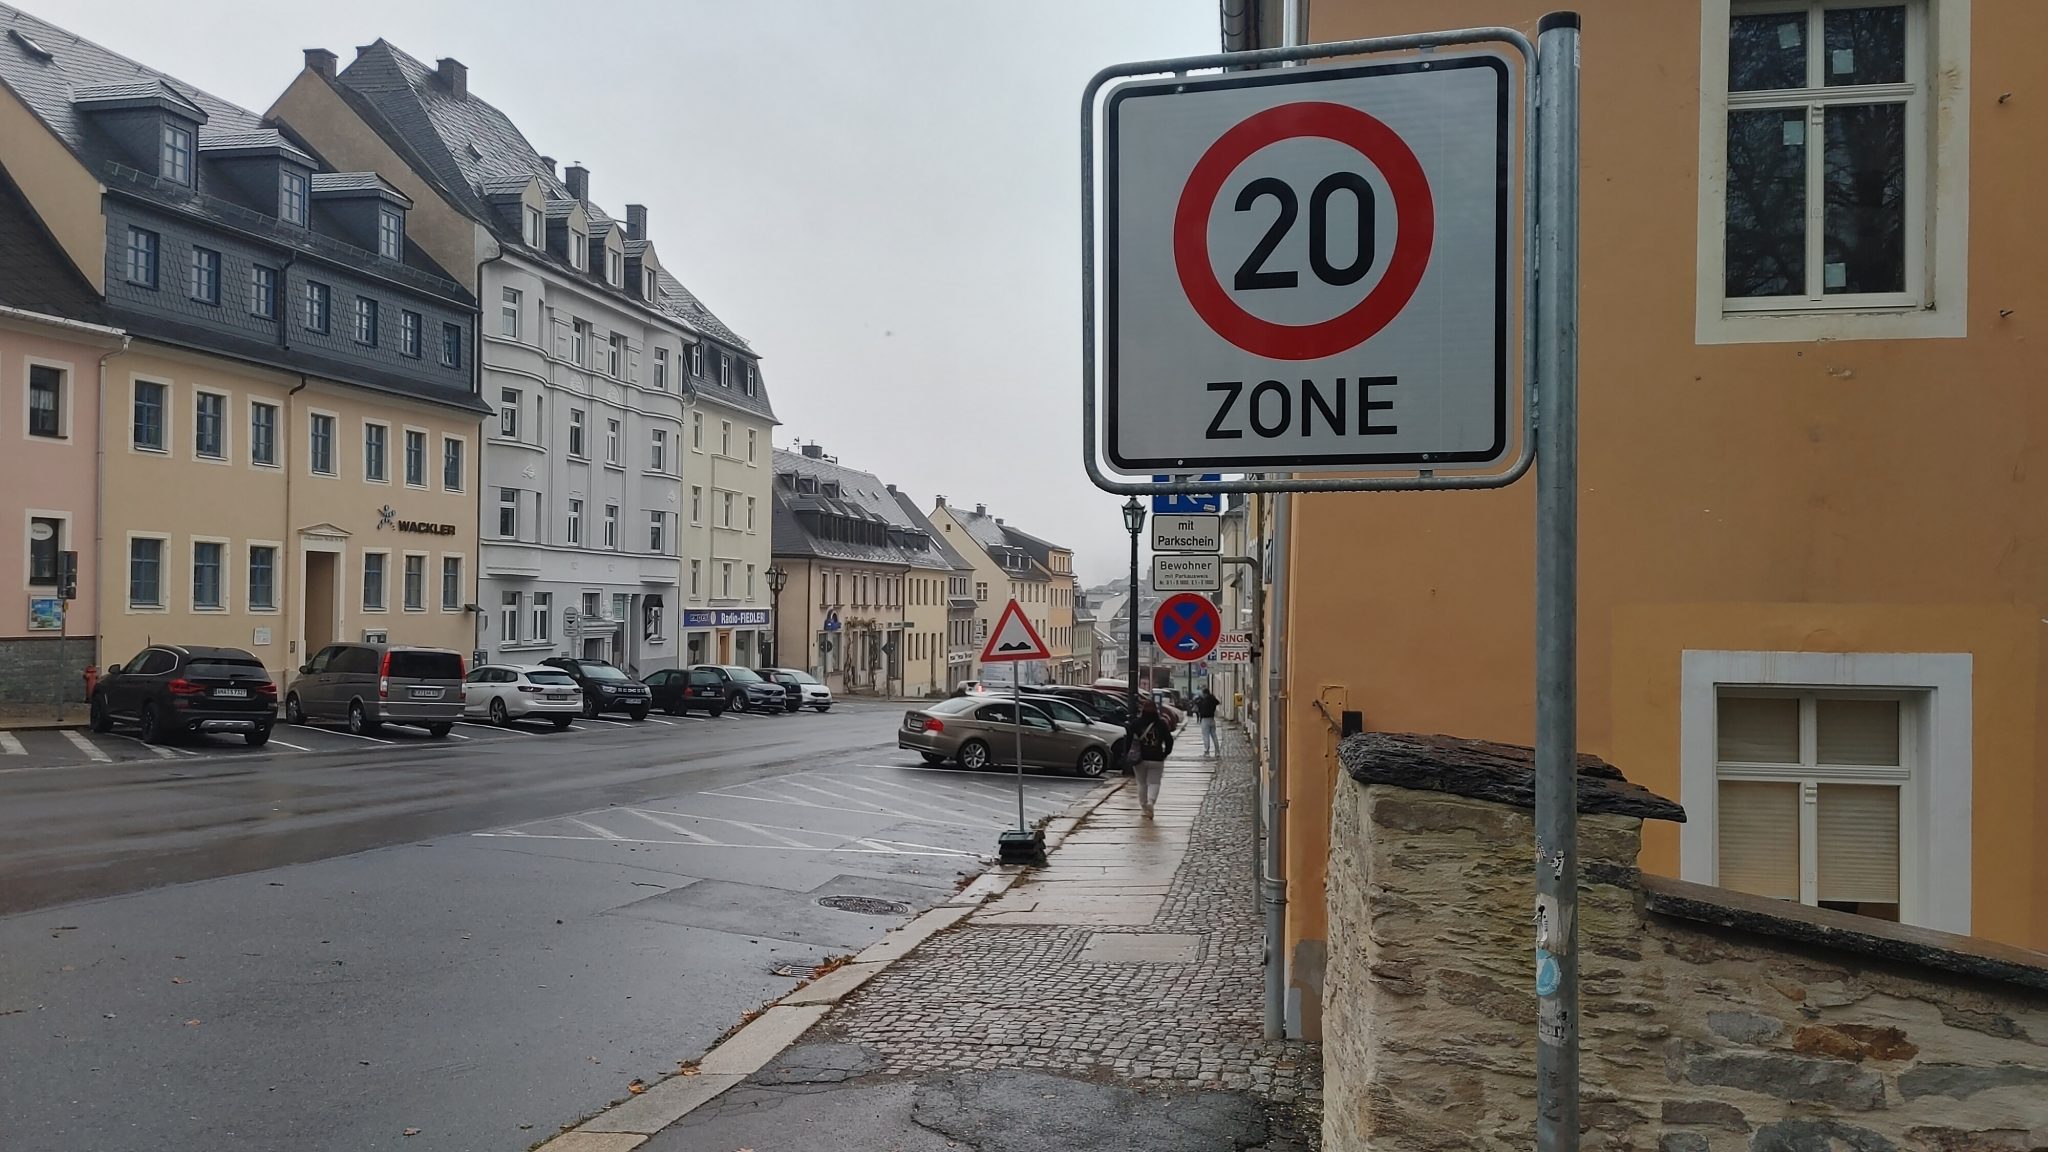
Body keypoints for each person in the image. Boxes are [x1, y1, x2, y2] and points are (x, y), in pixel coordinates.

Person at [1128, 698, 1175, 818]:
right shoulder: (1161, 723)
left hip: (1140, 758)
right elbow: (1169, 740)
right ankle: (1151, 802)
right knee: (1155, 782)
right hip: (1157, 757)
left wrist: (1128, 754)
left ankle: (1144, 807)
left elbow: (1128, 740)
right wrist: (1166, 753)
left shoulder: (1136, 723)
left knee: (1141, 783)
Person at [1194, 687, 1220, 756]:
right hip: (1212, 719)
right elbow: (1217, 702)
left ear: (1205, 694)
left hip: (1205, 720)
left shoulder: (1204, 701)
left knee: (1206, 736)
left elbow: (1199, 707)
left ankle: (1207, 751)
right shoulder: (1212, 699)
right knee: (1214, 736)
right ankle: (1217, 751)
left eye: (1203, 693)